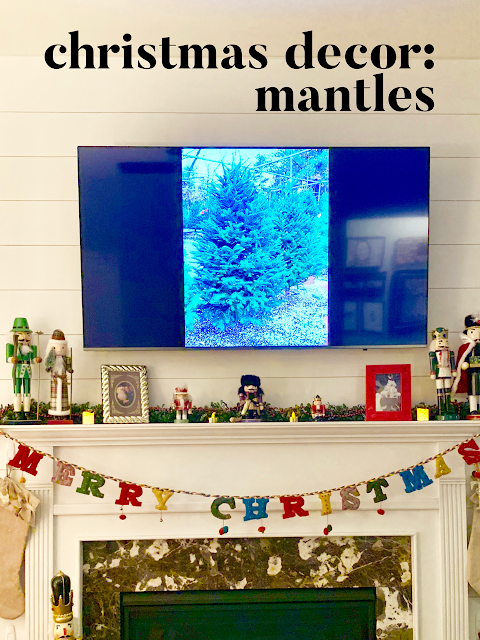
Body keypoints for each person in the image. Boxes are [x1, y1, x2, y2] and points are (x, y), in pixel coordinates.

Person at [6, 317, 42, 414]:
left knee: (27, 390)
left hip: (27, 370)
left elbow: (33, 359)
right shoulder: (11, 347)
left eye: (26, 334)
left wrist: (36, 359)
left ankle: (27, 411)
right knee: (17, 390)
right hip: (17, 370)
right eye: (20, 334)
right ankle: (17, 411)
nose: (24, 337)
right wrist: (12, 359)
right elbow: (7, 358)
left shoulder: (31, 348)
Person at [453, 314, 480, 416]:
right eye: (473, 331)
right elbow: (461, 359)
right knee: (472, 391)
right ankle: (473, 409)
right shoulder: (464, 348)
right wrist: (464, 364)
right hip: (471, 373)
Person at [428, 327, 457, 419]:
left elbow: (452, 362)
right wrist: (432, 372)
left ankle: (448, 408)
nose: (443, 345)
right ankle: (441, 409)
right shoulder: (433, 354)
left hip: (447, 370)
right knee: (440, 390)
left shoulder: (450, 353)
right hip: (439, 371)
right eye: (440, 342)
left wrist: (453, 370)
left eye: (445, 342)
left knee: (447, 390)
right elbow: (433, 363)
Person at [44, 330, 73, 417]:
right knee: (54, 395)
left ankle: (64, 412)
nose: (60, 350)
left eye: (62, 348)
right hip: (55, 379)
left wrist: (70, 369)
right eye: (56, 348)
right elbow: (48, 367)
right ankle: (54, 412)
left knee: (64, 395)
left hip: (63, 379)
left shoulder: (65, 359)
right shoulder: (51, 359)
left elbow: (68, 367)